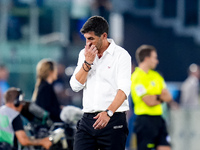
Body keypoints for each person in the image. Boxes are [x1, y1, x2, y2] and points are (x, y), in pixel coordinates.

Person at [70, 16, 131, 150]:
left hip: (112, 118)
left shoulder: (121, 55)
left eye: (91, 39)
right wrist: (88, 63)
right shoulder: (84, 54)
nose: (87, 44)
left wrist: (108, 113)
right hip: (87, 119)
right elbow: (75, 86)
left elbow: (124, 89)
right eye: (86, 39)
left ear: (104, 36)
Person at [131, 45, 172, 150]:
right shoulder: (136, 77)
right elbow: (148, 101)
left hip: (159, 119)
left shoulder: (156, 76)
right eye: (155, 57)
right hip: (145, 121)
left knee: (166, 147)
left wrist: (155, 98)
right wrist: (160, 97)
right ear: (147, 58)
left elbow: (168, 97)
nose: (157, 61)